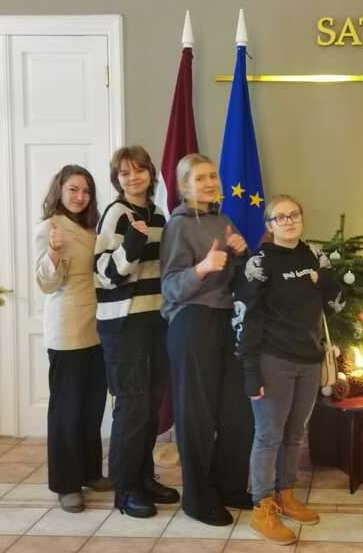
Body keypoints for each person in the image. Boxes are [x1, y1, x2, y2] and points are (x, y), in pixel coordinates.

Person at [235, 194, 343, 545]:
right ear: (269, 225)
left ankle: (286, 493)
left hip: (309, 360)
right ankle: (262, 507)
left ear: (302, 217)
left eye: (293, 215)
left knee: (295, 434)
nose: (288, 221)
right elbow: (246, 318)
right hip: (273, 361)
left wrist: (322, 279)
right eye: (280, 217)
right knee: (269, 435)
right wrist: (250, 370)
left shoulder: (314, 255)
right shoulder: (260, 262)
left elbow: (336, 303)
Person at [160, 153, 252, 526]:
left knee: (235, 410)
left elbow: (236, 279)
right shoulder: (178, 226)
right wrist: (201, 268)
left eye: (213, 176)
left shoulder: (223, 220)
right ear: (184, 187)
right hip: (192, 322)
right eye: (200, 178)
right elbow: (170, 286)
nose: (210, 183)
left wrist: (242, 255)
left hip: (226, 320)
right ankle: (197, 499)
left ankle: (229, 486)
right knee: (196, 415)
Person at [95, 145, 179, 518]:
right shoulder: (117, 214)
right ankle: (125, 489)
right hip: (123, 324)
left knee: (150, 407)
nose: (133, 178)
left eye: (139, 170)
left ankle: (144, 478)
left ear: (150, 173)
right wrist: (133, 242)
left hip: (155, 321)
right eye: (125, 173)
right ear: (117, 179)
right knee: (131, 408)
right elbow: (105, 274)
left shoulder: (158, 214)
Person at [34, 165, 111, 513]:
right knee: (67, 409)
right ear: (59, 191)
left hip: (98, 327)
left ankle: (90, 472)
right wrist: (53, 252)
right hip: (68, 329)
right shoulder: (50, 228)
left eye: (86, 191)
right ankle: (66, 483)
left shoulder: (92, 227)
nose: (80, 197)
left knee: (92, 406)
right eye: (73, 190)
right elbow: (45, 283)